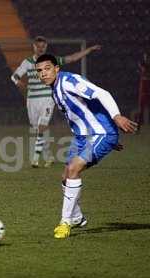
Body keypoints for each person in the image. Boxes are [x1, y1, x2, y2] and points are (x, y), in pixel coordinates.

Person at [35, 54, 137, 239]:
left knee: (74, 169)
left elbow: (101, 93)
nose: (43, 73)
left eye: (47, 68)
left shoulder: (69, 81)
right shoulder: (55, 89)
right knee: (66, 175)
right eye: (39, 71)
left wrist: (116, 117)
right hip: (84, 137)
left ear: (56, 68)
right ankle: (77, 217)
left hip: (99, 134)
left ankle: (64, 223)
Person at [11, 36, 101, 168]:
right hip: (32, 100)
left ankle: (35, 159)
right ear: (34, 47)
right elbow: (14, 76)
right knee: (38, 130)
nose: (41, 48)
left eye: (43, 46)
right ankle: (49, 157)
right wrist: (18, 82)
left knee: (42, 127)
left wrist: (89, 50)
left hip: (48, 98)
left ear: (46, 47)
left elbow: (72, 58)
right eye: (38, 46)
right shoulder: (27, 62)